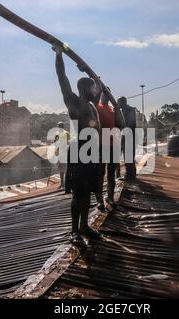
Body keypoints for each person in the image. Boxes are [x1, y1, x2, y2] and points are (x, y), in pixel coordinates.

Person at [53, 43, 101, 245]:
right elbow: (62, 78)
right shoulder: (74, 102)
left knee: (89, 192)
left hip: (94, 154)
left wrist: (88, 71)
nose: (95, 89)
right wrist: (59, 55)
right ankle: (75, 231)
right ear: (84, 88)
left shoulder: (92, 105)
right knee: (79, 194)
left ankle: (84, 226)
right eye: (92, 87)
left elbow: (100, 86)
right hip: (79, 152)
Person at [95, 87, 125, 209]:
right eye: (104, 93)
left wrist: (118, 109)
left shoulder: (113, 110)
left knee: (111, 174)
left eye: (108, 94)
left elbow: (122, 124)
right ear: (101, 95)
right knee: (99, 174)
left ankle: (110, 197)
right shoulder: (97, 107)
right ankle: (100, 201)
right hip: (101, 145)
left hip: (114, 145)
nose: (106, 96)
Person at [118, 97, 137, 181]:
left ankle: (130, 175)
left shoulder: (130, 110)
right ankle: (131, 174)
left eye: (119, 103)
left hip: (129, 136)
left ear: (123, 102)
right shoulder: (122, 111)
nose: (118, 104)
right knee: (127, 156)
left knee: (129, 156)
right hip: (125, 136)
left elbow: (131, 123)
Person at [54, 122, 70, 189]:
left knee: (63, 169)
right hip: (63, 153)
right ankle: (63, 184)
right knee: (62, 169)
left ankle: (64, 184)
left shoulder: (64, 133)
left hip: (64, 153)